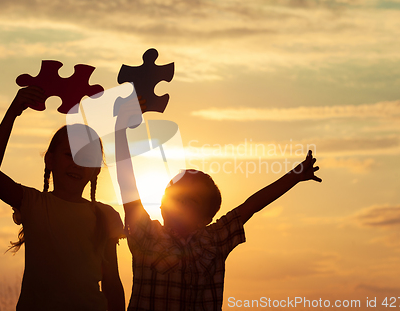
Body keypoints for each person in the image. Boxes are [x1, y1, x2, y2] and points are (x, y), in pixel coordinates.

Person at [114, 99, 322, 311]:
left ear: (206, 218)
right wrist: (119, 130)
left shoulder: (214, 241)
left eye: (191, 201)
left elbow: (252, 205)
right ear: (161, 203)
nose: (179, 204)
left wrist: (295, 176)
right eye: (174, 197)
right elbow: (127, 184)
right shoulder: (147, 235)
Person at [0, 86, 125, 311]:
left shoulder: (105, 215)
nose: (77, 163)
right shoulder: (32, 203)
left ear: (96, 170)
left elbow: (112, 283)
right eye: (70, 154)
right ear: (49, 160)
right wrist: (13, 112)